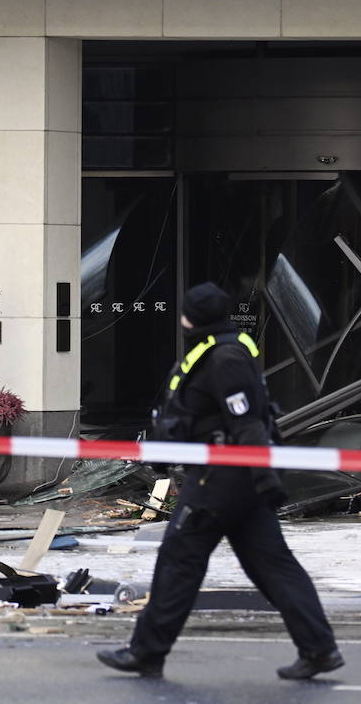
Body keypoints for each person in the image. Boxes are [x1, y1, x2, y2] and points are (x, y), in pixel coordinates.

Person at [96, 282, 343, 681]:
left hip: (220, 482)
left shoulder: (226, 358)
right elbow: (197, 415)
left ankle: (146, 652)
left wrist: (266, 480)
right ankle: (319, 649)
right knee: (272, 565)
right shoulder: (217, 350)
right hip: (236, 480)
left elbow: (247, 424)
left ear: (193, 317)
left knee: (179, 560)